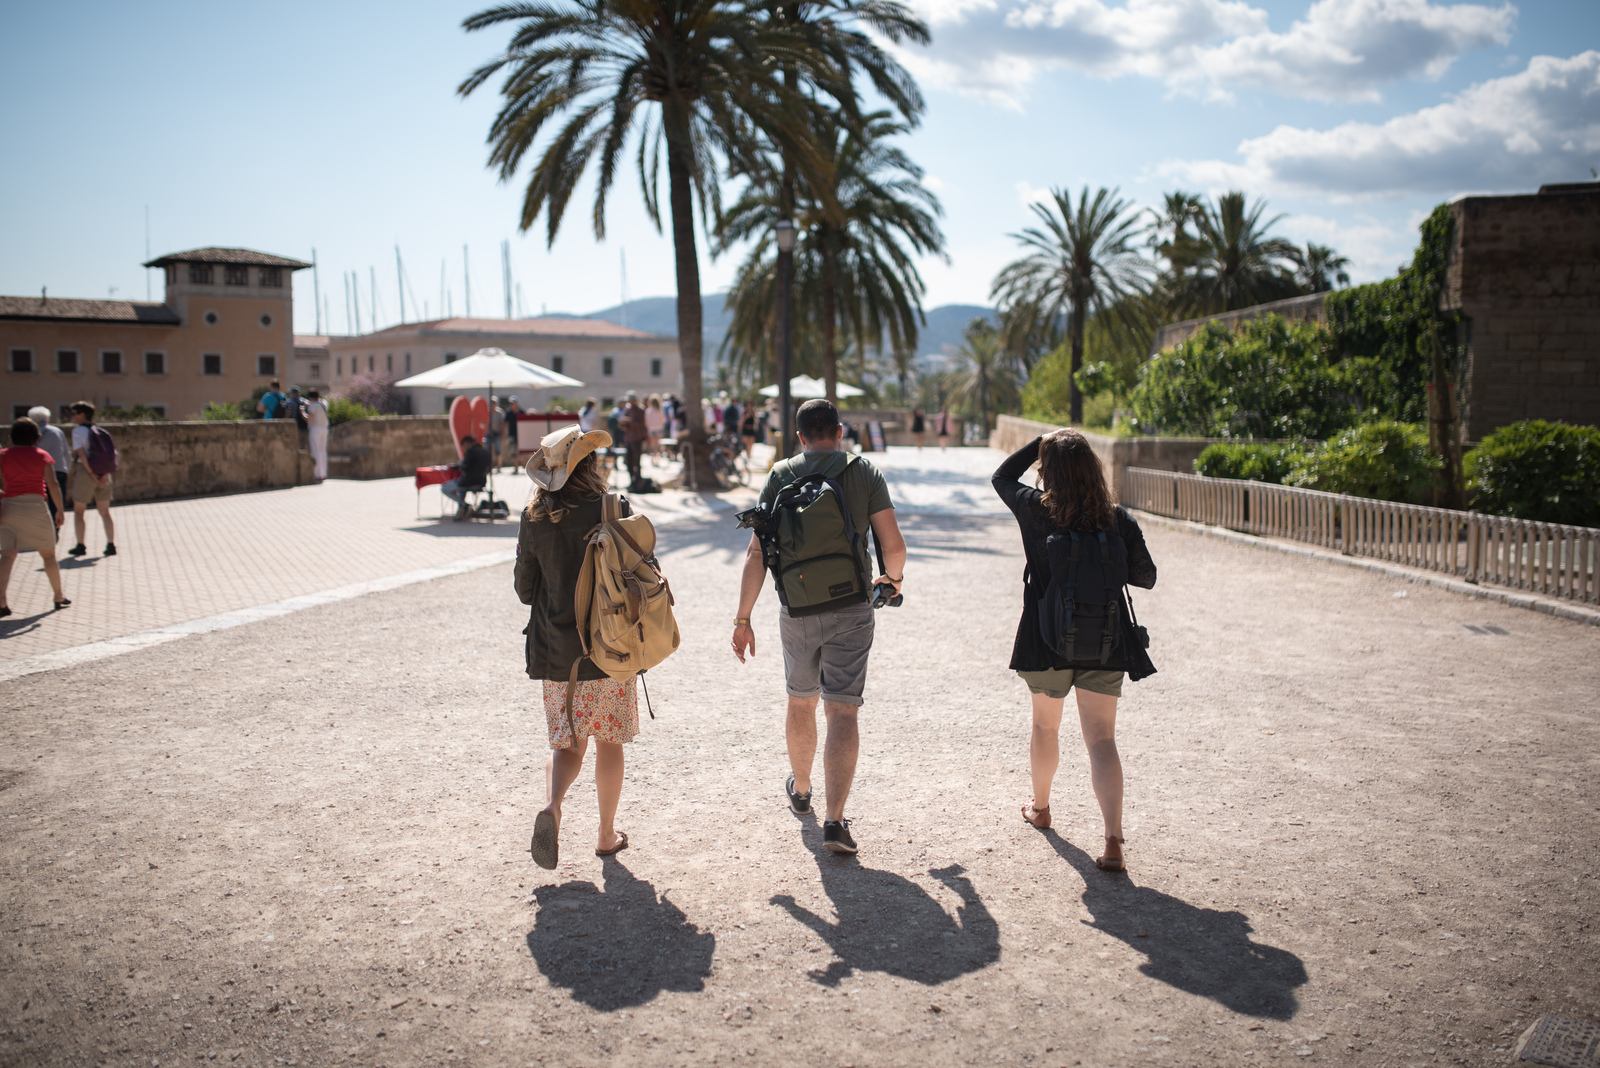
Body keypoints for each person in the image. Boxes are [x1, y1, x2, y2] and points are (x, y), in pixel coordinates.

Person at [731, 399, 907, 856]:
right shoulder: (863, 472)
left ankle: (803, 788)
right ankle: (834, 820)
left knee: (801, 699)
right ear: (839, 431)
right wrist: (892, 581)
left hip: (798, 607)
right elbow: (894, 546)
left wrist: (743, 618)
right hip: (851, 605)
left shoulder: (779, 475)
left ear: (800, 436)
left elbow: (756, 554)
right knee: (843, 710)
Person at [992, 429, 1158, 873]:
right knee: (1102, 739)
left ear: (1048, 472)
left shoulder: (1035, 510)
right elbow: (1146, 577)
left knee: (1045, 727)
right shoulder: (1116, 519)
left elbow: (1001, 477)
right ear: (1093, 470)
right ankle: (1113, 840)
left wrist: (1040, 441)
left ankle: (1041, 808)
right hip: (1106, 640)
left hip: (1045, 639)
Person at [515, 424, 636, 867]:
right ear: (590, 464)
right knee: (609, 742)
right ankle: (605, 834)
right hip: (609, 646)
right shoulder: (613, 508)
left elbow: (525, 590)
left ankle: (552, 805)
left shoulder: (534, 517)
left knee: (567, 745)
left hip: (555, 650)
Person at [0, 417, 70, 616]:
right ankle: (58, 595)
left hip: (8, 507)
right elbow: (53, 484)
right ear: (36, 437)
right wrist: (60, 510)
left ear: (13, 436)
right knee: (48, 554)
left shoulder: (3, 455)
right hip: (35, 507)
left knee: (7, 555)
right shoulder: (42, 455)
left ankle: (1, 601)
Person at [65, 401, 116, 558]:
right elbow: (113, 455)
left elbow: (81, 454)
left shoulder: (78, 431)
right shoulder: (100, 431)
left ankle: (80, 545)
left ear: (82, 414)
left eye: (74, 413)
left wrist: (92, 474)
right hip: (105, 473)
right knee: (105, 512)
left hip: (86, 473)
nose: (72, 416)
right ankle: (111, 544)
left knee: (79, 511)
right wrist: (104, 474)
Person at [28, 406, 69, 524]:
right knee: (56, 505)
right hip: (60, 470)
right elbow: (66, 452)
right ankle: (55, 530)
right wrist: (67, 469)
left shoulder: (32, 433)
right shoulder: (57, 431)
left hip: (40, 473)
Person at [441, 434, 492, 521]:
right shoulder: (485, 452)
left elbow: (464, 467)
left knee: (445, 488)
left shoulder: (470, 452)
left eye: (463, 446)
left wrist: (458, 466)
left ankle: (464, 505)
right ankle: (462, 509)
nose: (464, 449)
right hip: (481, 482)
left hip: (468, 482)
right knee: (461, 486)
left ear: (467, 444)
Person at [620, 393, 648, 486]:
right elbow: (623, 424)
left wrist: (630, 421)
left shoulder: (640, 410)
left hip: (637, 438)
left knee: (637, 461)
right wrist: (624, 422)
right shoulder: (627, 409)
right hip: (628, 438)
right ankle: (631, 480)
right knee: (629, 461)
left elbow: (642, 425)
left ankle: (638, 480)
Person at [305, 390, 331, 482]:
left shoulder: (313, 406)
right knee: (322, 451)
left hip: (315, 429)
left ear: (310, 398)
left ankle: (317, 474)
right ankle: (323, 474)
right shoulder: (324, 404)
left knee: (315, 451)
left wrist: (302, 411)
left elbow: (309, 418)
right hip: (324, 429)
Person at [503, 398, 522, 471]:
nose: (512, 405)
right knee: (512, 451)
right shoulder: (508, 413)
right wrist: (505, 434)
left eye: (513, 403)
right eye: (511, 403)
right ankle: (515, 467)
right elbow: (505, 424)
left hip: (521, 435)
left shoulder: (521, 412)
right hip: (511, 435)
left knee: (520, 451)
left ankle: (521, 464)